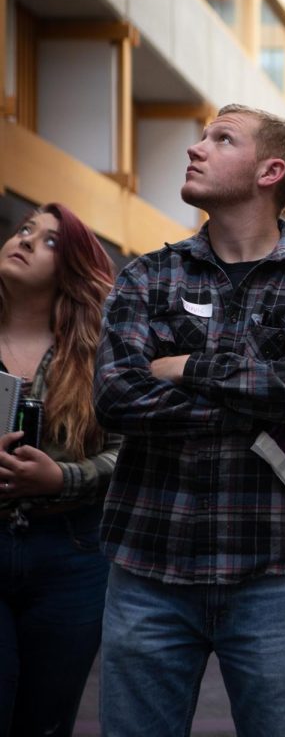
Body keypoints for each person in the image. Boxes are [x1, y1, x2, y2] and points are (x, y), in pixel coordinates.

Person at [94, 104, 285, 735]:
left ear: (271, 171)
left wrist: (184, 365)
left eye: (222, 139)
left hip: (276, 576)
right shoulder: (146, 275)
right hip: (148, 570)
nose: (196, 147)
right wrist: (257, 398)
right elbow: (115, 398)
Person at [0, 204, 118, 737]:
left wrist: (61, 479)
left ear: (70, 266)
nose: (24, 240)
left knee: (47, 721)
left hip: (72, 552)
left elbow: (129, 452)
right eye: (24, 229)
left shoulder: (94, 353)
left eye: (48, 240)